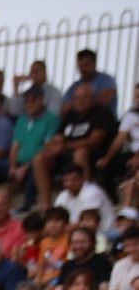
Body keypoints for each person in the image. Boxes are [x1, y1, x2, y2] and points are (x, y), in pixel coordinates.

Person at [34, 83, 117, 211]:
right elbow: (59, 137)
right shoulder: (70, 115)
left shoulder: (102, 113)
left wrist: (64, 146)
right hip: (65, 156)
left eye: (84, 98)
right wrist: (52, 147)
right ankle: (45, 206)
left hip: (93, 157)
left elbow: (93, 141)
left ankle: (85, 200)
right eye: (77, 98)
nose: (80, 101)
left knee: (80, 152)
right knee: (39, 158)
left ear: (93, 98)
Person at [9, 85, 57, 206]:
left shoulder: (51, 119)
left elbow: (48, 147)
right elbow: (15, 146)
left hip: (37, 162)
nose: (29, 104)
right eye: (26, 101)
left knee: (35, 167)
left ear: (42, 100)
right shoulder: (22, 120)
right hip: (18, 164)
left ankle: (27, 204)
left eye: (33, 100)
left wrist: (25, 166)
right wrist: (13, 167)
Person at [53, 164, 115, 233]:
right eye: (66, 181)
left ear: (82, 179)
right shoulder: (63, 195)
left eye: (73, 180)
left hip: (104, 233)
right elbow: (56, 217)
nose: (69, 183)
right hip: (79, 234)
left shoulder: (92, 191)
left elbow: (90, 222)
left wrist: (61, 229)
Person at [71, 48, 118, 112]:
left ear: (94, 64)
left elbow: (104, 101)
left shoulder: (107, 80)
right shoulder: (74, 86)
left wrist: (77, 103)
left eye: (86, 65)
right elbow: (65, 108)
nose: (83, 69)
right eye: (81, 65)